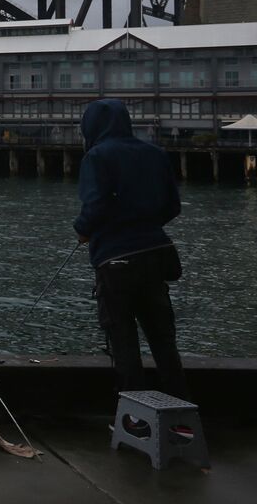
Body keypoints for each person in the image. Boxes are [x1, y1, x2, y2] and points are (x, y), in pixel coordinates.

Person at [73, 99, 190, 424]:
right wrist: (144, 224)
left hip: (115, 261)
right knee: (164, 342)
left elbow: (94, 207)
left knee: (124, 343)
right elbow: (172, 206)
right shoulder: (155, 154)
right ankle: (181, 418)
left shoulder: (97, 156)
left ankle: (136, 422)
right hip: (156, 254)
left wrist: (82, 230)